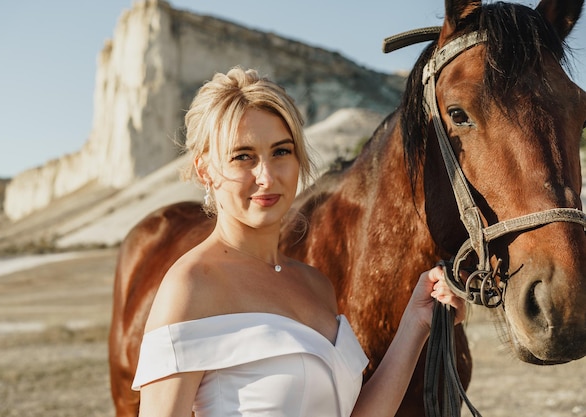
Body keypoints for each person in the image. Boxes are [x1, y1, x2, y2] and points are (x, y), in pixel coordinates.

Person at [131, 66, 466, 417]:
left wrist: (416, 322)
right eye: (243, 156)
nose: (267, 176)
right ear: (205, 171)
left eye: (281, 152)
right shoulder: (191, 286)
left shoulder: (315, 284)